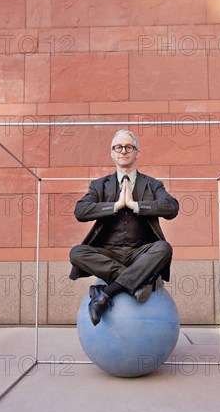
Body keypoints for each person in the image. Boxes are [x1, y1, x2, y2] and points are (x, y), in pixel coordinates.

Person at [69, 129, 179, 326]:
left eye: (129, 147)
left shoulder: (153, 185)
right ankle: (138, 284)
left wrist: (135, 205)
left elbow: (171, 208)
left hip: (141, 252)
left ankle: (104, 294)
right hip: (108, 252)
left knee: (164, 248)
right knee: (77, 253)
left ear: (137, 152)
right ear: (112, 153)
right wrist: (116, 206)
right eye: (118, 147)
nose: (123, 151)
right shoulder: (99, 185)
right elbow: (81, 211)